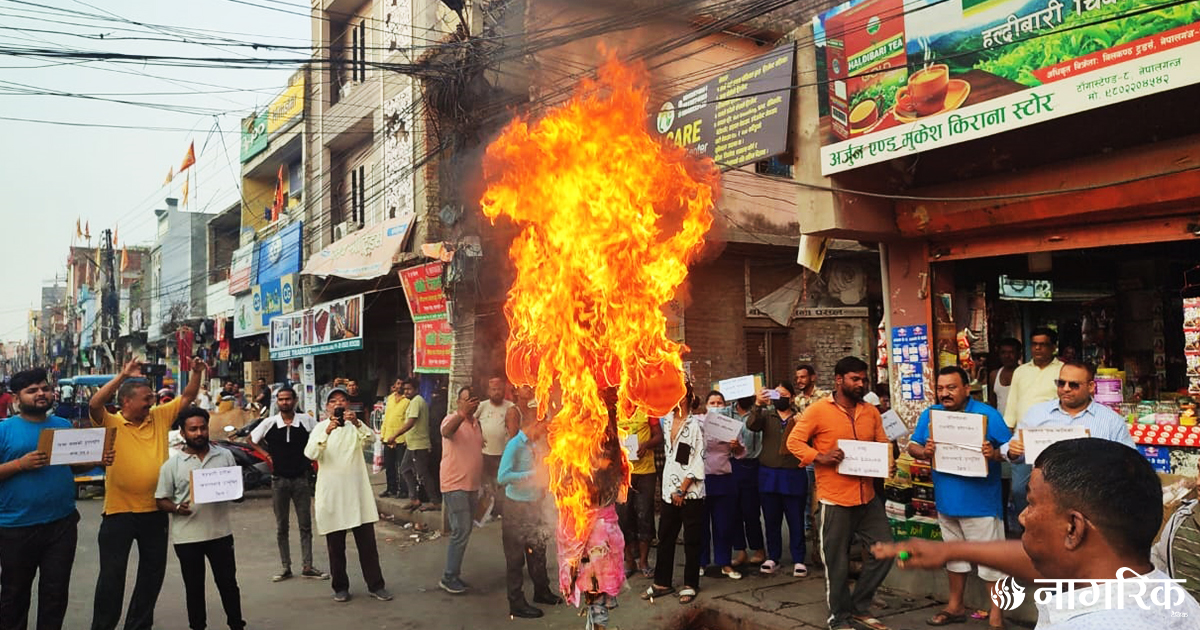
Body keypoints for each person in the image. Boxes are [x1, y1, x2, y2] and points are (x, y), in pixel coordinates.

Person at [874, 438, 1200, 628]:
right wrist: (951, 551)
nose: (1023, 516)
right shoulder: (1162, 591)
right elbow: (1043, 558)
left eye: (1030, 503)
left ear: (1073, 527)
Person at [90, 357, 205, 630]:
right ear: (125, 402)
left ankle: (138, 626)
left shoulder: (159, 416)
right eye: (146, 398)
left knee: (152, 576)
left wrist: (197, 372)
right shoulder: (110, 422)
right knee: (111, 577)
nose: (151, 402)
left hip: (155, 511)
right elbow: (94, 404)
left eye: (153, 397)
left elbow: (188, 395)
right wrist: (122, 374)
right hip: (118, 513)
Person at [0, 368, 114, 630]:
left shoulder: (62, 426)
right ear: (17, 397)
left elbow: (72, 466)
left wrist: (97, 461)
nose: (40, 394)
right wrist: (20, 464)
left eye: (44, 388)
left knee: (55, 593)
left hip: (61, 524)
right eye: (32, 390)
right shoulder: (4, 431)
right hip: (16, 527)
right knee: (14, 595)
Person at [788, 356, 893, 630]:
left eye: (863, 379)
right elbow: (793, 442)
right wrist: (819, 456)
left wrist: (888, 462)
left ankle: (859, 606)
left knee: (886, 551)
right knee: (836, 563)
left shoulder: (870, 411)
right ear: (839, 380)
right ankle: (839, 617)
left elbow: (882, 443)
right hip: (835, 499)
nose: (860, 384)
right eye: (854, 379)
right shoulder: (818, 411)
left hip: (868, 497)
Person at [907, 366, 1012, 629]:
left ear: (967, 388)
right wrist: (924, 452)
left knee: (992, 562)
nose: (945, 393)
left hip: (981, 504)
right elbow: (912, 445)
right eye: (941, 388)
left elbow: (1013, 451)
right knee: (954, 558)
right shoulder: (931, 415)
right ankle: (955, 606)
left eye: (952, 388)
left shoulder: (987, 414)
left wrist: (995, 453)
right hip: (946, 501)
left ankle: (997, 616)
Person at [155, 408, 245, 630]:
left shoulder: (224, 456)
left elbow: (236, 490)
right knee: (194, 588)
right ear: (183, 433)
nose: (199, 433)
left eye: (202, 428)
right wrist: (176, 508)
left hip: (220, 533)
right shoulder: (172, 465)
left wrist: (236, 493)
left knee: (228, 584)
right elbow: (161, 500)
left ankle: (236, 624)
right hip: (187, 537)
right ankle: (197, 626)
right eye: (192, 429)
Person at [303, 388, 392, 603]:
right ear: (327, 408)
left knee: (368, 545)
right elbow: (311, 454)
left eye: (342, 400)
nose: (338, 404)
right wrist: (328, 431)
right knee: (336, 547)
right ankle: (340, 587)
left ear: (349, 406)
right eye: (333, 401)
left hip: (356, 494)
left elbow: (371, 440)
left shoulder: (355, 427)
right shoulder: (320, 428)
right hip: (332, 495)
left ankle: (376, 585)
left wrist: (358, 423)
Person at [249, 385, 326, 582]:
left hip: (301, 479)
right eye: (281, 399)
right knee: (281, 526)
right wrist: (267, 455)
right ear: (277, 402)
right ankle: (286, 567)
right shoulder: (269, 423)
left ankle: (307, 566)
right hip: (279, 480)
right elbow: (251, 439)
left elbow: (321, 436)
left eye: (288, 399)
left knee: (305, 525)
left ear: (295, 401)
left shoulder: (307, 422)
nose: (285, 402)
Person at [496, 402, 563, 618]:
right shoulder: (514, 445)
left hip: (535, 505)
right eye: (543, 425)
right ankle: (516, 602)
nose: (545, 430)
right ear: (534, 423)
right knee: (515, 558)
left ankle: (542, 591)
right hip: (516, 508)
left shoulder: (535, 445)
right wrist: (528, 476)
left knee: (538, 550)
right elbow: (502, 477)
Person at [644, 384, 705, 605]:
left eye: (679, 395)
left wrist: (683, 488)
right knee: (666, 537)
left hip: (690, 494)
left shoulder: (695, 426)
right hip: (670, 492)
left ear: (688, 398)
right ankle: (662, 582)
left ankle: (690, 584)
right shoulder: (667, 420)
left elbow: (697, 460)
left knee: (691, 539)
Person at [1005, 361, 1138, 460]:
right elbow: (1013, 450)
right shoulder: (1037, 414)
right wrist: (1013, 452)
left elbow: (1130, 459)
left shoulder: (1111, 420)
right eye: (1061, 383)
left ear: (1091, 386)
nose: (1066, 389)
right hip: (1048, 491)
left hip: (1094, 491)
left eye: (1073, 385)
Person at [1002, 328, 1063, 535]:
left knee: (1052, 488)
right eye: (1034, 344)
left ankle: (1049, 531)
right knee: (1019, 489)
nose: (1037, 348)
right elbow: (1013, 403)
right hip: (1024, 439)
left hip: (1052, 439)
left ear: (1053, 347)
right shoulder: (1021, 371)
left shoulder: (1062, 370)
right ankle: (1026, 530)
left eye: (1043, 344)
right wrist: (1008, 431)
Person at [747, 381, 808, 577]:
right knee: (771, 519)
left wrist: (802, 426)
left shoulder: (801, 418)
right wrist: (758, 404)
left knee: (796, 519)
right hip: (769, 474)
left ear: (791, 397)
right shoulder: (766, 416)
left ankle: (799, 558)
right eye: (776, 394)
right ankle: (773, 556)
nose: (779, 398)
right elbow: (751, 425)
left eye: (783, 395)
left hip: (793, 475)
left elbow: (813, 440)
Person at [440, 385, 483, 595]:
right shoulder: (451, 419)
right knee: (461, 530)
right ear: (459, 402)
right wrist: (462, 414)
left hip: (472, 485)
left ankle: (453, 574)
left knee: (465, 530)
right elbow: (446, 433)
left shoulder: (476, 423)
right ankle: (449, 576)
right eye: (466, 399)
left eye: (474, 399)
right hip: (454, 485)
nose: (471, 403)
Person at [699, 391, 742, 580]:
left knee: (724, 525)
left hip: (724, 478)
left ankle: (724, 563)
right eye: (712, 402)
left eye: (719, 403)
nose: (716, 406)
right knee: (701, 525)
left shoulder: (731, 426)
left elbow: (741, 452)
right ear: (706, 404)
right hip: (701, 479)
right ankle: (700, 562)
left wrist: (736, 447)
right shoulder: (698, 422)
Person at [616, 406, 663, 579]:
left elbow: (659, 435)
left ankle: (643, 561)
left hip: (645, 473)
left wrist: (646, 445)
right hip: (621, 475)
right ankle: (629, 561)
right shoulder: (615, 410)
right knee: (623, 517)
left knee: (645, 515)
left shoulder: (647, 410)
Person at [729, 394, 766, 569]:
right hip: (731, 465)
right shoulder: (727, 413)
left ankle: (758, 548)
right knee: (734, 510)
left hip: (751, 464)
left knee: (751, 511)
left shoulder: (759, 412)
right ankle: (740, 550)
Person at [476, 376, 519, 521]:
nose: (496, 392)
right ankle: (487, 513)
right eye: (493, 389)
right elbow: (471, 421)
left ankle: (500, 511)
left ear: (504, 390)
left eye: (499, 389)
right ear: (488, 391)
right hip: (485, 453)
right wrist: (478, 436)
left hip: (503, 454)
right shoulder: (482, 406)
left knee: (501, 484)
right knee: (487, 485)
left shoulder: (511, 407)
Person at [398, 378, 440, 511]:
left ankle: (435, 501)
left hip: (419, 445)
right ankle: (414, 499)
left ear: (416, 389)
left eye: (409, 389)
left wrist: (395, 435)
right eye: (404, 389)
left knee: (423, 474)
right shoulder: (413, 402)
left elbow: (411, 422)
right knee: (405, 469)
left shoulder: (417, 401)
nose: (406, 391)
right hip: (412, 444)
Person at [378, 378, 410, 499]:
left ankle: (403, 490)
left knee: (402, 466)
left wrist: (406, 438)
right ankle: (391, 488)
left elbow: (408, 421)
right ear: (394, 385)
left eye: (402, 384)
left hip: (401, 438)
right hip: (388, 437)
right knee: (389, 466)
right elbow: (386, 417)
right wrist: (383, 434)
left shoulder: (408, 401)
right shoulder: (390, 398)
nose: (400, 386)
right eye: (398, 383)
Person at [988, 338, 1022, 415]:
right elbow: (993, 402)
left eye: (1011, 352)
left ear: (1019, 355)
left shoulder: (1025, 374)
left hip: (1022, 423)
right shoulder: (994, 375)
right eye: (1003, 352)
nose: (1007, 356)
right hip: (1001, 422)